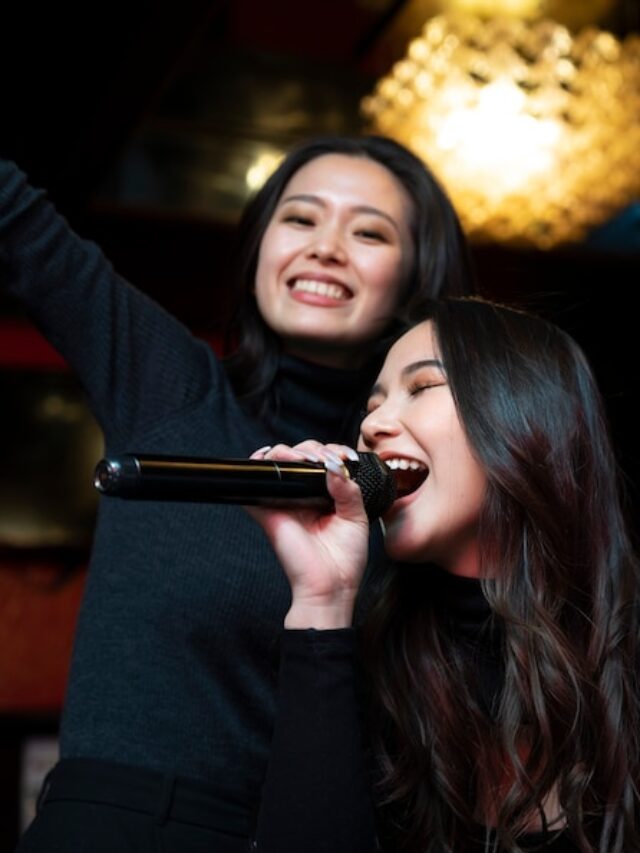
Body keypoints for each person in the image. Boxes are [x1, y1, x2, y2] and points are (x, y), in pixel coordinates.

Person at [0, 135, 475, 852]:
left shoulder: (414, 482)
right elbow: (18, 220)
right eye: (300, 218)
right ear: (259, 248)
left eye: (369, 231)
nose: (326, 247)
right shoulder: (170, 387)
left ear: (415, 281)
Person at [248, 296, 640, 853]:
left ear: (528, 416)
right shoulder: (380, 663)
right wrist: (323, 600)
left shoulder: (623, 655)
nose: (373, 425)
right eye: (372, 403)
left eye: (423, 387)